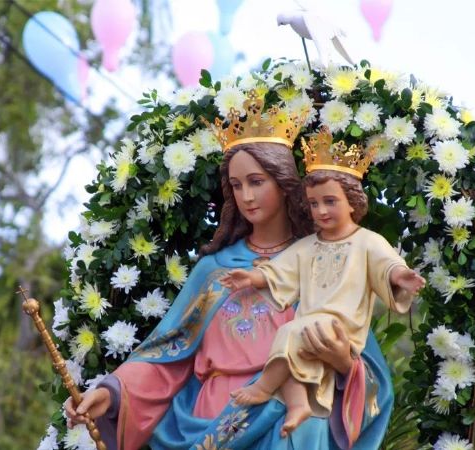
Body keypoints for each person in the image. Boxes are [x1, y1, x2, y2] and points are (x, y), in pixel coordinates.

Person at [65, 108, 395, 449]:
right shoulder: (214, 270)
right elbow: (168, 357)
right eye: (237, 186)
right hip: (215, 417)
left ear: (283, 184)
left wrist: (344, 363)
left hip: (292, 426)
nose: (246, 196)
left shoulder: (320, 263)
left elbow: (371, 375)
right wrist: (110, 393)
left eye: (257, 181)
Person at [222, 131, 426, 438]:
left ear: (353, 202)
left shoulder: (367, 242)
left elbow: (387, 265)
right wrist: (252, 277)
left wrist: (402, 277)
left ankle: (264, 387)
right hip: (310, 323)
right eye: (314, 204)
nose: (321, 211)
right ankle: (298, 405)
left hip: (341, 328)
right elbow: (282, 271)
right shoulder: (309, 245)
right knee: (294, 345)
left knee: (290, 333)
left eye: (330, 202)